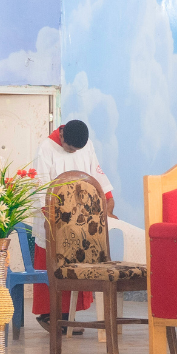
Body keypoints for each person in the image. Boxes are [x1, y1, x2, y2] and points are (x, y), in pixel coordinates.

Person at [31, 119, 114, 333]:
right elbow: (40, 188)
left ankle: (69, 317)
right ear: (62, 137)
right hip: (53, 218)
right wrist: (53, 218)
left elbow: (96, 176)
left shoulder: (86, 146)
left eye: (77, 149)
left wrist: (107, 199)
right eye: (70, 148)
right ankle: (49, 315)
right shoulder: (46, 149)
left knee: (78, 263)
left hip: (81, 220)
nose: (73, 152)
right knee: (54, 264)